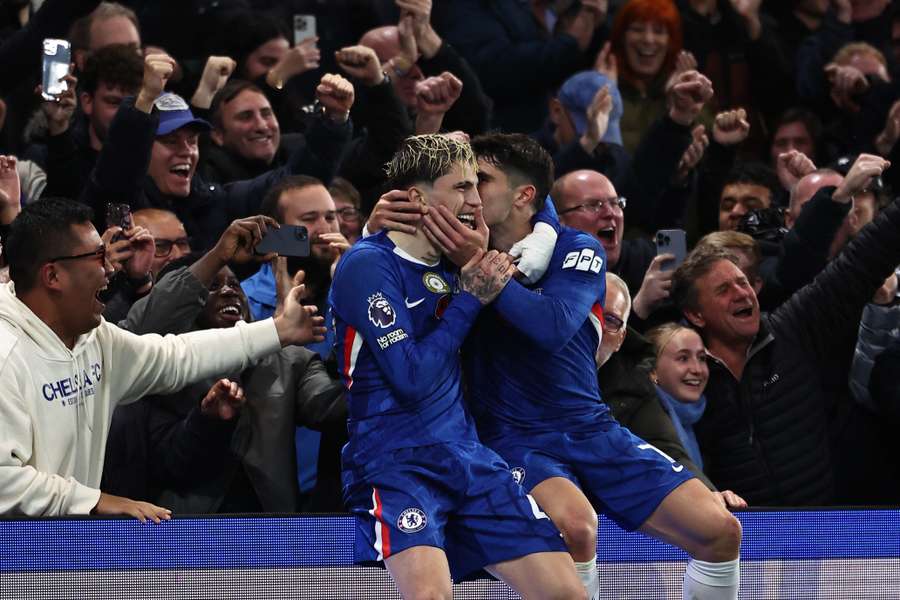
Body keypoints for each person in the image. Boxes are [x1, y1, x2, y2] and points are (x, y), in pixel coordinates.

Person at [447, 133, 741, 600]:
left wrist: (485, 272)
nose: (468, 192)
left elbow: (553, 327)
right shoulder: (449, 253)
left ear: (523, 195)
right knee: (576, 528)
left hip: (590, 427)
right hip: (512, 437)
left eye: (480, 180)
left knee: (721, 531)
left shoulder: (576, 248)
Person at [330, 134, 584, 598]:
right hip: (396, 462)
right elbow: (411, 378)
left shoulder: (457, 261)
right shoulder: (367, 264)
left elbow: (535, 196)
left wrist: (541, 232)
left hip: (469, 458)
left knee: (566, 593)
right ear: (417, 199)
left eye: (476, 186)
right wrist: (469, 299)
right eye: (462, 187)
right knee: (432, 595)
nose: (476, 201)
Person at [0, 199, 325, 520]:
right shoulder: (6, 354)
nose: (110, 269)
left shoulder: (94, 338)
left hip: (62, 544)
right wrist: (94, 501)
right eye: (98, 257)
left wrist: (277, 330)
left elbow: (177, 356)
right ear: (53, 276)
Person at [670, 152, 900, 505]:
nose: (741, 293)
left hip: (821, 526)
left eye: (743, 282)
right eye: (723, 289)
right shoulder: (681, 372)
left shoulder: (792, 330)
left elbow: (861, 262)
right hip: (740, 533)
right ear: (696, 314)